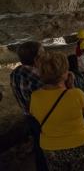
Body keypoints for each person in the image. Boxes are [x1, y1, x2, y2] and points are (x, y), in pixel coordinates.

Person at [30, 52, 84, 171]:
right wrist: (72, 86)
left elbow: (35, 114)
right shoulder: (76, 94)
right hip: (79, 143)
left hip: (51, 147)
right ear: (65, 74)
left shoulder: (35, 96)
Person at [10, 41, 47, 171]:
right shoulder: (36, 74)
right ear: (36, 58)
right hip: (43, 117)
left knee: (39, 146)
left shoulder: (15, 72)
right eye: (43, 52)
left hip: (29, 116)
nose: (45, 54)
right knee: (47, 147)